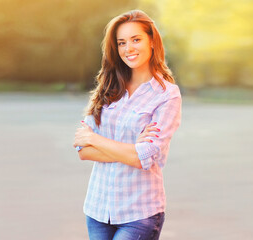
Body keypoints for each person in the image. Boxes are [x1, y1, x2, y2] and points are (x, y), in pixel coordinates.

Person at [73, 9, 181, 240]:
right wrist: (132, 149)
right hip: (97, 208)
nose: (128, 48)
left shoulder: (166, 95)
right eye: (121, 42)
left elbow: (146, 157)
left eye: (136, 39)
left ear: (152, 41)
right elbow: (83, 150)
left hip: (139, 213)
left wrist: (96, 139)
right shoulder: (108, 88)